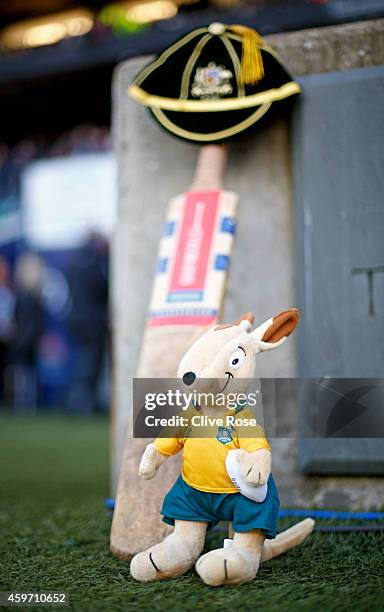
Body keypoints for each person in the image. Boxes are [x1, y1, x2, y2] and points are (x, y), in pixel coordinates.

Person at [66, 232, 109, 414]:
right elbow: (102, 288)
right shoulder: (94, 264)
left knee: (83, 361)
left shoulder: (74, 263)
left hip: (75, 318)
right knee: (91, 363)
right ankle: (82, 403)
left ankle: (80, 401)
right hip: (92, 321)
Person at [12, 252, 45, 409]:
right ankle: (25, 404)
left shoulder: (26, 296)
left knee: (24, 373)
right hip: (27, 340)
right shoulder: (31, 297)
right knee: (25, 373)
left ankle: (23, 404)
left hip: (23, 339)